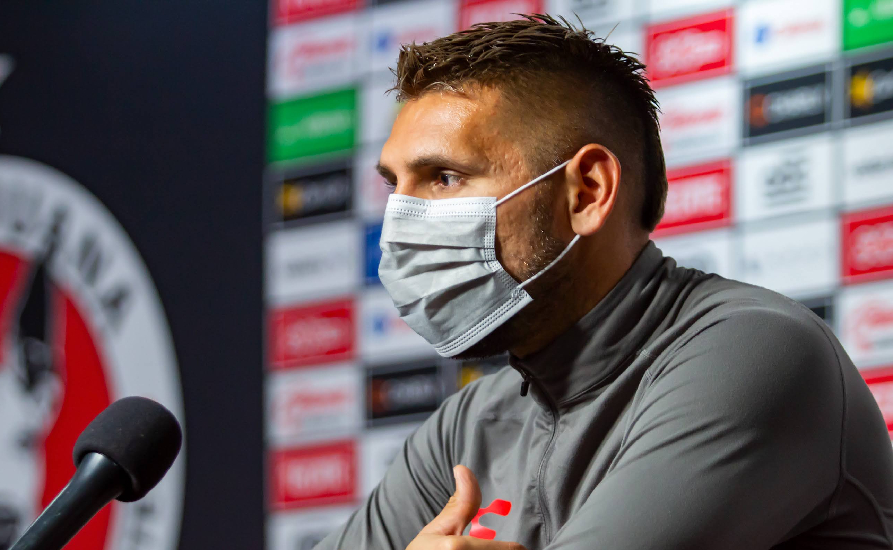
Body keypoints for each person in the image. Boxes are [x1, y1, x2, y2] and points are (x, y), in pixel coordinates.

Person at [313, 14, 893, 550]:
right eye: (394, 186)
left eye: (444, 178)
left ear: (587, 192)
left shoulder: (753, 352)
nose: (400, 222)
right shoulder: (468, 425)